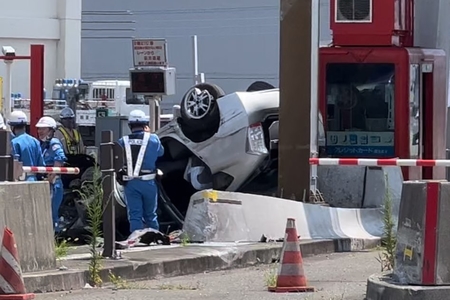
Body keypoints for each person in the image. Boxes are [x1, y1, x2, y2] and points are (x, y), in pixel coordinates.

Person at [117, 109, 164, 233]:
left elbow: (117, 159)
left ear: (130, 125)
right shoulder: (154, 139)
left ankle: (135, 241)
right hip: (149, 182)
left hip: (131, 183)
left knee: (135, 215)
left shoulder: (122, 141)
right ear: (145, 124)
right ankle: (154, 239)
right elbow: (161, 153)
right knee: (151, 215)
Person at [36, 116, 67, 231]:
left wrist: (51, 177)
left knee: (51, 213)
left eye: (43, 129)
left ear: (51, 130)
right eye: (39, 129)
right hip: (45, 182)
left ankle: (55, 238)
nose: (40, 131)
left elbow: (59, 159)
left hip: (53, 183)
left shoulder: (54, 143)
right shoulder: (42, 145)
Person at [7, 111, 44, 181]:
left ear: (12, 127)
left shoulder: (14, 142)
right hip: (34, 180)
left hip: (21, 180)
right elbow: (41, 164)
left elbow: (13, 165)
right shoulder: (35, 141)